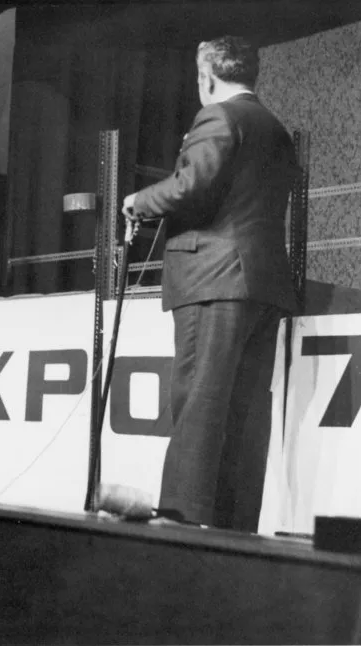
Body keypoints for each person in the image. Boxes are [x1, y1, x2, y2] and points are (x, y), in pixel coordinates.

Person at [120, 36, 299, 530]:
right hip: (262, 287)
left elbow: (190, 186)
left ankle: (180, 531)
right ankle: (233, 537)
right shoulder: (277, 131)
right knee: (243, 418)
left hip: (214, 279)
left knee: (199, 407)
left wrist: (138, 201)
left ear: (208, 77)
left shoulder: (220, 117)